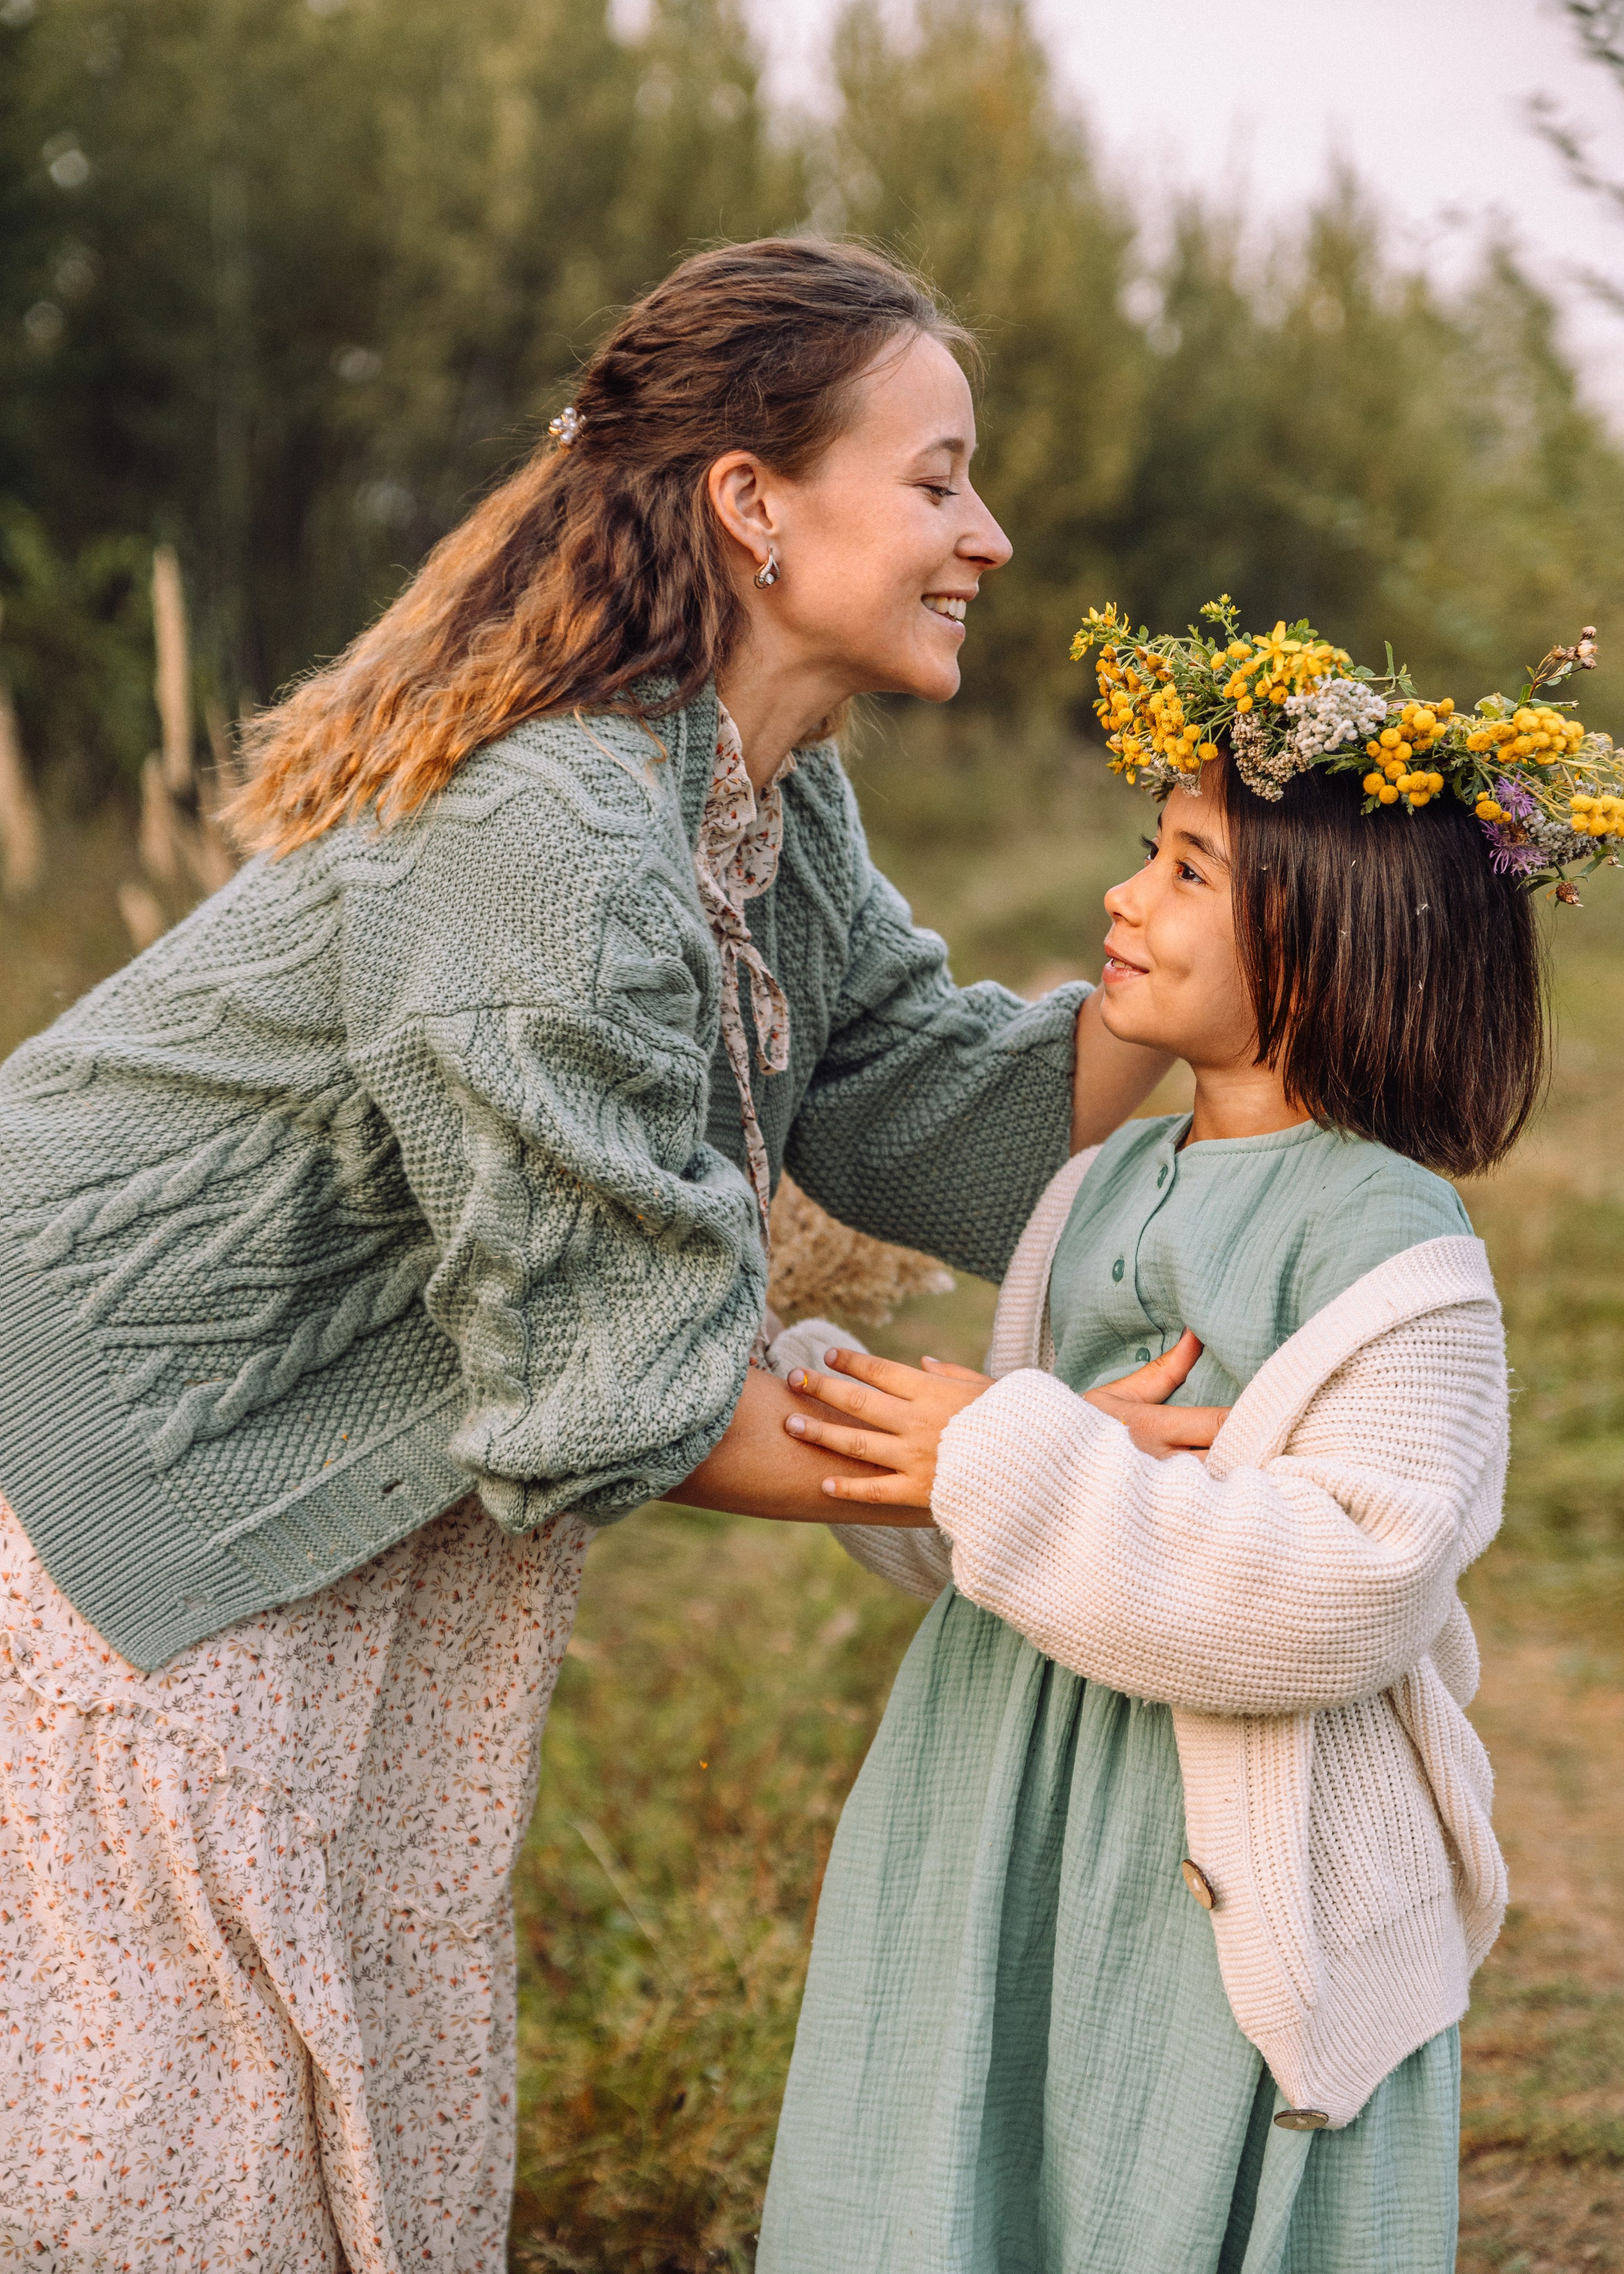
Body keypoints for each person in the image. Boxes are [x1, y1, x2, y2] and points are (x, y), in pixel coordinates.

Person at [0, 240, 1201, 2272]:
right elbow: (614, 1392)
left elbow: (917, 1094)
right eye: (935, 481)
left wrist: (1252, 947)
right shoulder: (548, 835)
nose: (985, 535)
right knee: (181, 2151)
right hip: (127, 1481)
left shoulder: (757, 801)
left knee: (361, 2053)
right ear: (753, 503)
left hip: (347, 1493)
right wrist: (1023, 1466)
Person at [759, 735, 1544, 2272]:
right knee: (971, 2160)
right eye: (1149, 848)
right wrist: (840, 1413)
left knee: (1149, 2183)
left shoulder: (1389, 1238)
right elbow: (1029, 1517)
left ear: (1336, 942)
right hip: (1002, 1795)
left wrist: (1000, 1455)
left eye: (1187, 870)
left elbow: (1350, 1585)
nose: (1125, 895)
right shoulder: (1097, 1182)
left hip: (1214, 1852)